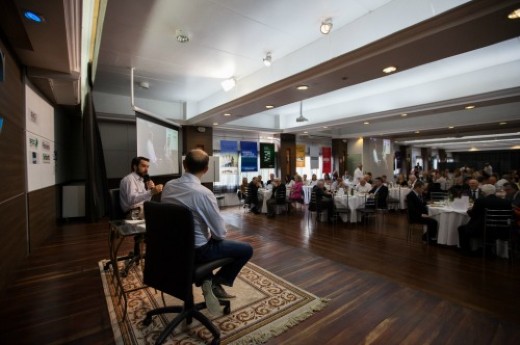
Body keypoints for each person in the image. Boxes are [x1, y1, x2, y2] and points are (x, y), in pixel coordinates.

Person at [161, 149, 253, 314]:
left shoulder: (168, 186)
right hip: (198, 251)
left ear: (184, 165)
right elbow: (220, 234)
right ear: (206, 169)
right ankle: (215, 281)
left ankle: (207, 278)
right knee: (246, 249)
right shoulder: (204, 194)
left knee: (208, 241)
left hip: (172, 248)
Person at [119, 157, 163, 262]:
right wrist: (151, 192)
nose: (146, 169)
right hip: (132, 213)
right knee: (159, 220)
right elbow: (131, 200)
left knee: (160, 214)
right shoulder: (129, 180)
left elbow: (145, 200)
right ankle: (154, 249)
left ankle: (152, 247)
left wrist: (149, 190)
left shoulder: (142, 180)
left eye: (147, 166)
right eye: (143, 166)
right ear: (135, 167)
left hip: (141, 209)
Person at [457, 184, 511, 256]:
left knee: (461, 229)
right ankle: (488, 249)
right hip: (501, 229)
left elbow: (473, 215)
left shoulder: (480, 201)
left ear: (484, 192)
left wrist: (468, 211)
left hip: (482, 229)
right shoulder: (506, 202)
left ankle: (466, 251)